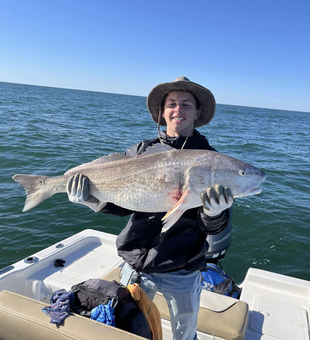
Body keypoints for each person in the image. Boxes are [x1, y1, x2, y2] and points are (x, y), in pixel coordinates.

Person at [67, 77, 234, 340]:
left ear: (197, 112)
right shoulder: (141, 151)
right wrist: (92, 199)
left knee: (184, 333)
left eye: (186, 104)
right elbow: (122, 206)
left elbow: (213, 226)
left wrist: (214, 212)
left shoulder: (210, 160)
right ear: (163, 111)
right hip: (134, 264)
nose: (178, 109)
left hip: (182, 269)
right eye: (172, 103)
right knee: (127, 328)